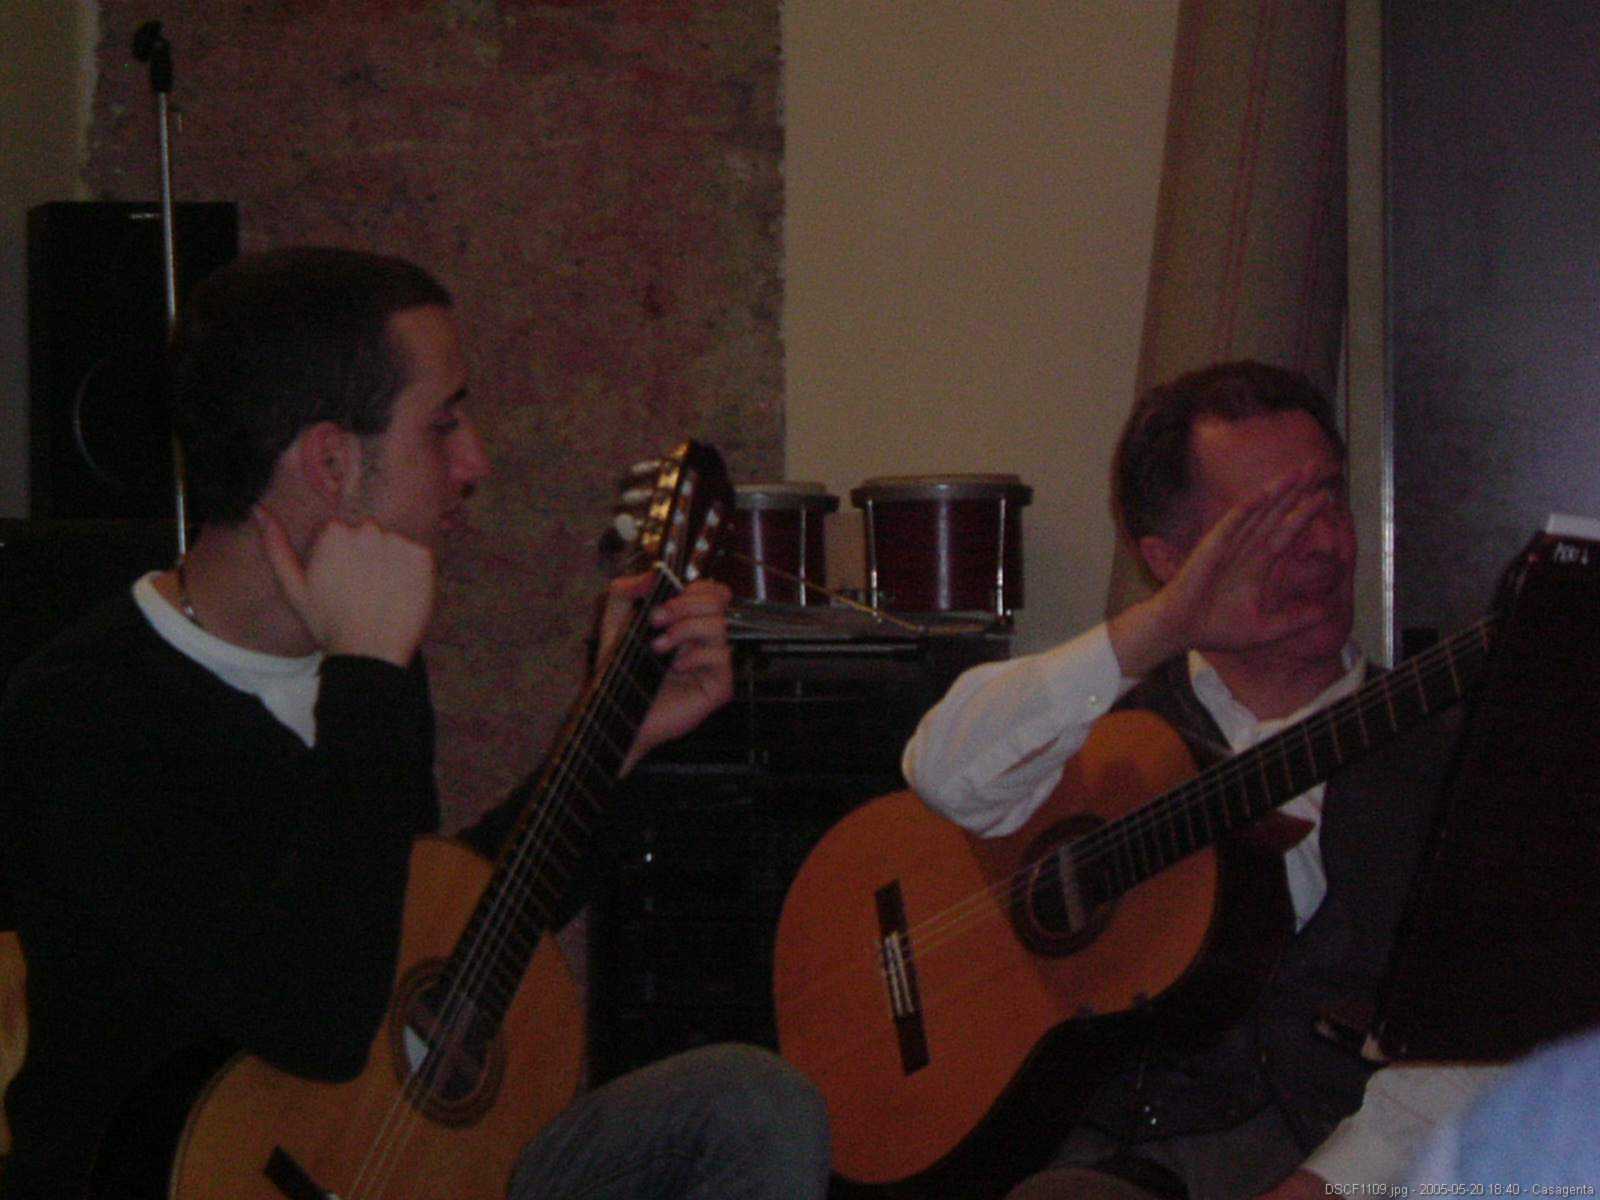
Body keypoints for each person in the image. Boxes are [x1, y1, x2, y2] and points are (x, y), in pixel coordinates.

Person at [0, 247, 829, 1199]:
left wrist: (616, 735)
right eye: (443, 425)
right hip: (191, 1176)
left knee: (751, 1104)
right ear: (331, 462)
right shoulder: (86, 711)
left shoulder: (374, 667)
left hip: (397, 1164)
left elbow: (424, 935)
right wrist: (366, 677)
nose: (475, 462)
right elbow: (320, 1017)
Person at [902, 360, 1463, 1200]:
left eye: (1327, 501)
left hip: (1340, 1154)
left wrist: (1330, 1186)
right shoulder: (1107, 720)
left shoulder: (1444, 755)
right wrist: (1158, 630)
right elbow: (946, 775)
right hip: (1095, 1151)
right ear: (1169, 559)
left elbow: (1497, 1038)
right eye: (1270, 522)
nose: (1322, 545)